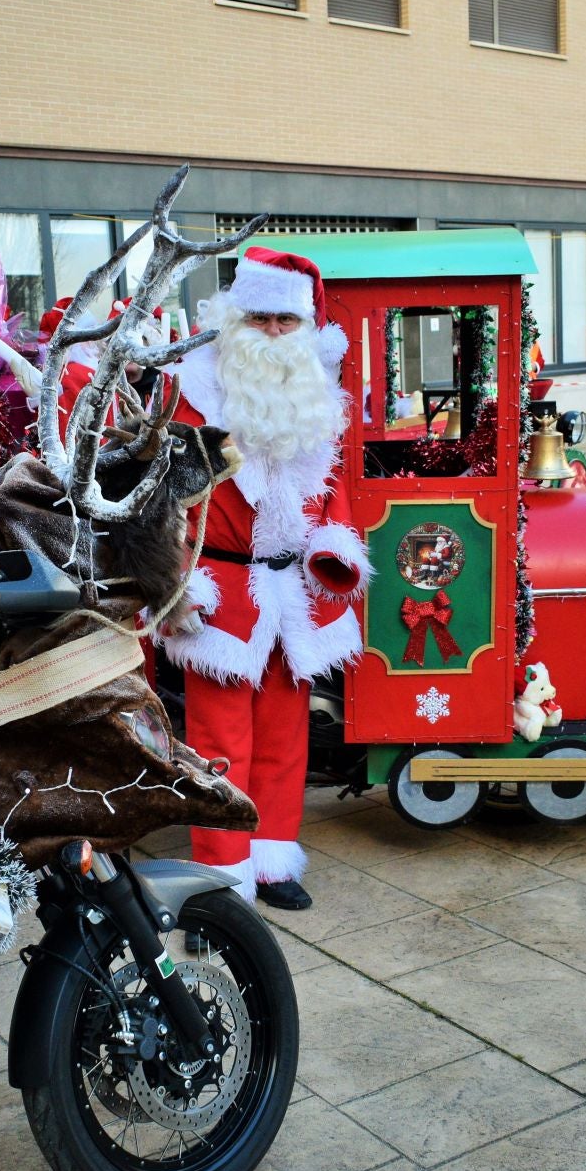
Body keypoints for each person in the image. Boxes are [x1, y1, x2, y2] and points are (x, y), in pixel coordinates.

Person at [162, 247, 370, 911]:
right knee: (220, 743)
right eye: (262, 319)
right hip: (221, 593)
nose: (276, 332)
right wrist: (174, 581)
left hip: (294, 593)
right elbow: (165, 503)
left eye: (287, 319)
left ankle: (274, 861)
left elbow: (333, 489)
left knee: (287, 737)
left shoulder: (318, 399)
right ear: (236, 319)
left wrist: (333, 547)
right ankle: (224, 875)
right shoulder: (194, 397)